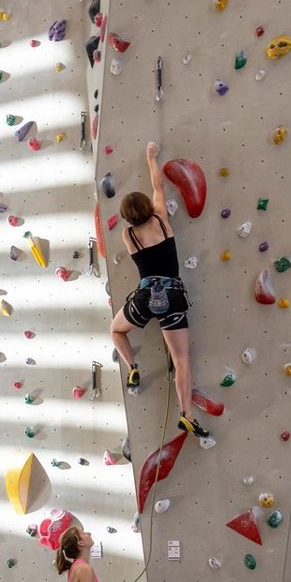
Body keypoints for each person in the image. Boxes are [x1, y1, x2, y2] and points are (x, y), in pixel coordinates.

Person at [110, 140, 211, 446]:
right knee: (182, 361)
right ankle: (186, 414)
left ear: (128, 219)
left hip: (145, 299)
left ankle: (133, 369)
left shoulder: (129, 236)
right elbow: (157, 186)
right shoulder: (162, 221)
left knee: (116, 331)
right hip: (174, 298)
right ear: (147, 208)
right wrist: (151, 157)